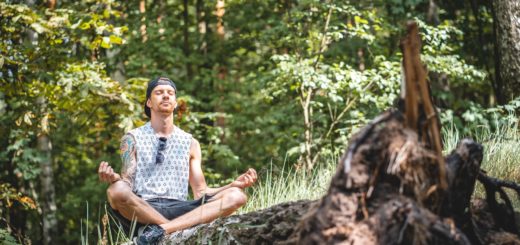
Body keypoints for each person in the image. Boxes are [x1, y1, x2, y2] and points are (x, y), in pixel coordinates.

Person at [98, 77, 257, 245]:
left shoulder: (190, 142)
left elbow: (201, 192)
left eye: (170, 93)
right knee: (116, 191)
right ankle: (170, 229)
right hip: (143, 208)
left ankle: (161, 231)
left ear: (175, 103)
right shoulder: (131, 138)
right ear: (149, 103)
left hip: (180, 208)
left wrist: (232, 185)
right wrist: (115, 179)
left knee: (237, 196)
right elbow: (127, 184)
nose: (166, 96)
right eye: (159, 93)